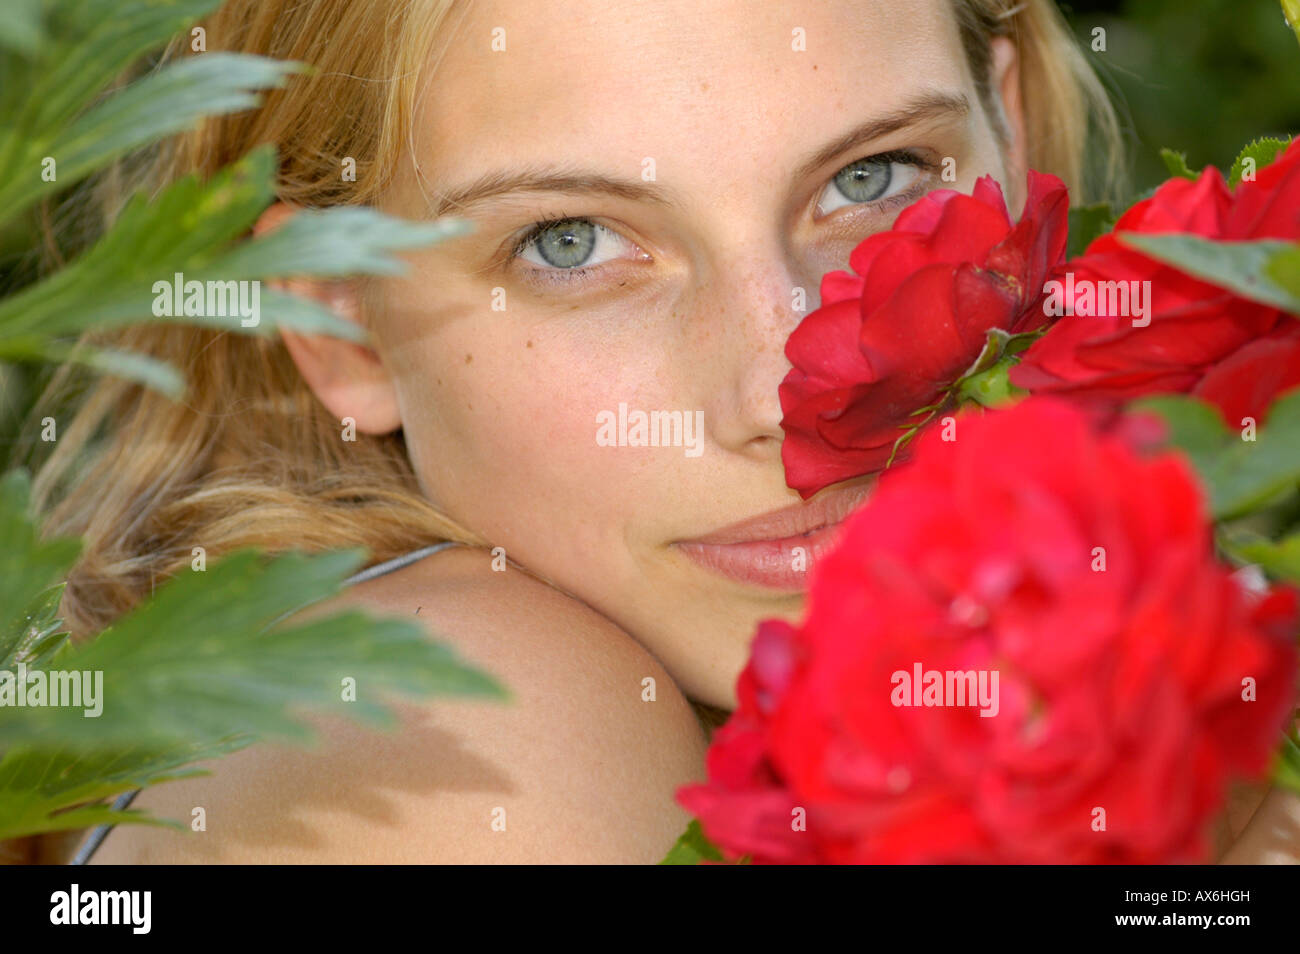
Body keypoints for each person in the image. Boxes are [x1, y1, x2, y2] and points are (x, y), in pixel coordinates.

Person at [26, 0, 1294, 863]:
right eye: (569, 244)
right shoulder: (492, 721)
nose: (786, 391)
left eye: (873, 180)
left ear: (1007, 134)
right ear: (339, 321)